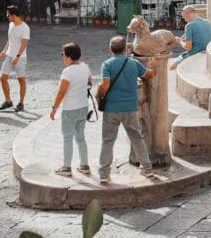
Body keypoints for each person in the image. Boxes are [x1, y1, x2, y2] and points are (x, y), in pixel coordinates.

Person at [96, 35, 159, 184]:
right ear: (125, 49)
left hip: (111, 108)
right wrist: (153, 65)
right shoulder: (133, 63)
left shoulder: (107, 64)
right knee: (137, 139)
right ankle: (147, 169)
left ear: (110, 49)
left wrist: (98, 95)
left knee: (107, 141)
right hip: (130, 108)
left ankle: (104, 174)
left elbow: (105, 84)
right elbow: (150, 75)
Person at [49, 42, 91, 176]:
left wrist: (54, 108)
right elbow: (89, 82)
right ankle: (84, 165)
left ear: (68, 56)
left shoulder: (67, 72)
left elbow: (61, 92)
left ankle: (66, 168)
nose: (62, 57)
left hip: (70, 109)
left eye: (63, 54)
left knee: (67, 138)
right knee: (80, 137)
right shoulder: (85, 67)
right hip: (83, 107)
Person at [0, 5, 29, 112]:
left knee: (21, 80)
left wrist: (17, 56)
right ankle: (8, 101)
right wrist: (4, 50)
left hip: (20, 57)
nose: (7, 16)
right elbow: (10, 40)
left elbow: (24, 44)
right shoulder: (11, 24)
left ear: (14, 15)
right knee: (3, 78)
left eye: (8, 14)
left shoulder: (25, 28)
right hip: (9, 55)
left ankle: (21, 103)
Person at [170, 4, 211, 70]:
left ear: (188, 13)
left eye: (184, 17)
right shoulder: (207, 22)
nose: (185, 20)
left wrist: (180, 41)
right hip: (207, 52)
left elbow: (188, 47)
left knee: (172, 67)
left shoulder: (189, 26)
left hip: (196, 53)